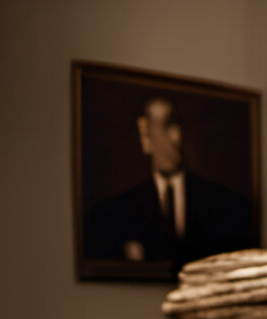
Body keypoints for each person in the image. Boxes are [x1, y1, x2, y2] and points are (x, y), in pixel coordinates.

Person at [84, 92, 254, 268]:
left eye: (177, 126)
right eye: (163, 127)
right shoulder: (115, 214)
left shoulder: (225, 205)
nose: (174, 138)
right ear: (145, 137)